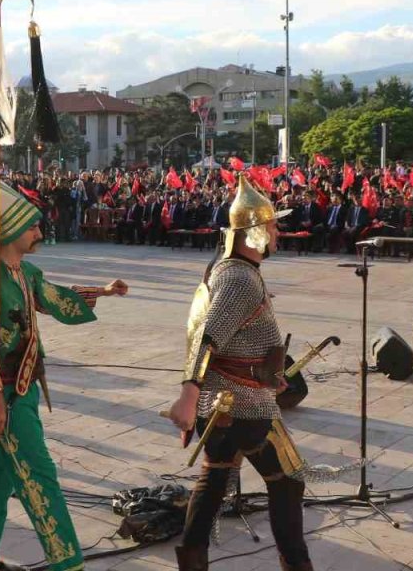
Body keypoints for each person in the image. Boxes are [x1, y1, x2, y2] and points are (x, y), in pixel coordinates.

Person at [0, 173, 127, 571]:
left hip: (22, 387)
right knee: (39, 475)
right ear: (10, 231)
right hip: (5, 397)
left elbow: (52, 297)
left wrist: (101, 291)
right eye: (30, 226)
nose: (38, 230)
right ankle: (67, 563)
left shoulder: (22, 273)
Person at [166, 177, 312, 571]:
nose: (277, 232)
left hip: (228, 400)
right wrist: (189, 392)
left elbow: (232, 340)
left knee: (214, 481)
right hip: (242, 405)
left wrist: (268, 372)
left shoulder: (233, 270)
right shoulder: (240, 278)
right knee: (289, 478)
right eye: (272, 226)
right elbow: (208, 336)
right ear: (254, 234)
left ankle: (193, 562)